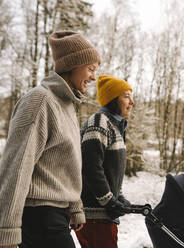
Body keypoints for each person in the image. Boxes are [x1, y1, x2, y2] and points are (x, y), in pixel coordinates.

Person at [0, 31, 101, 248]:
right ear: (72, 65)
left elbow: (65, 164)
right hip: (38, 218)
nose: (94, 77)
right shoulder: (40, 101)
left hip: (57, 216)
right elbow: (16, 167)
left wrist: (75, 206)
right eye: (91, 69)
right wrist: (6, 231)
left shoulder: (67, 106)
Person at [75, 75, 135, 248]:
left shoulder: (114, 126)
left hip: (103, 216)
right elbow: (91, 167)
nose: (132, 102)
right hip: (94, 217)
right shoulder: (99, 122)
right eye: (126, 96)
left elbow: (112, 171)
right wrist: (108, 200)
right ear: (112, 99)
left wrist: (120, 197)